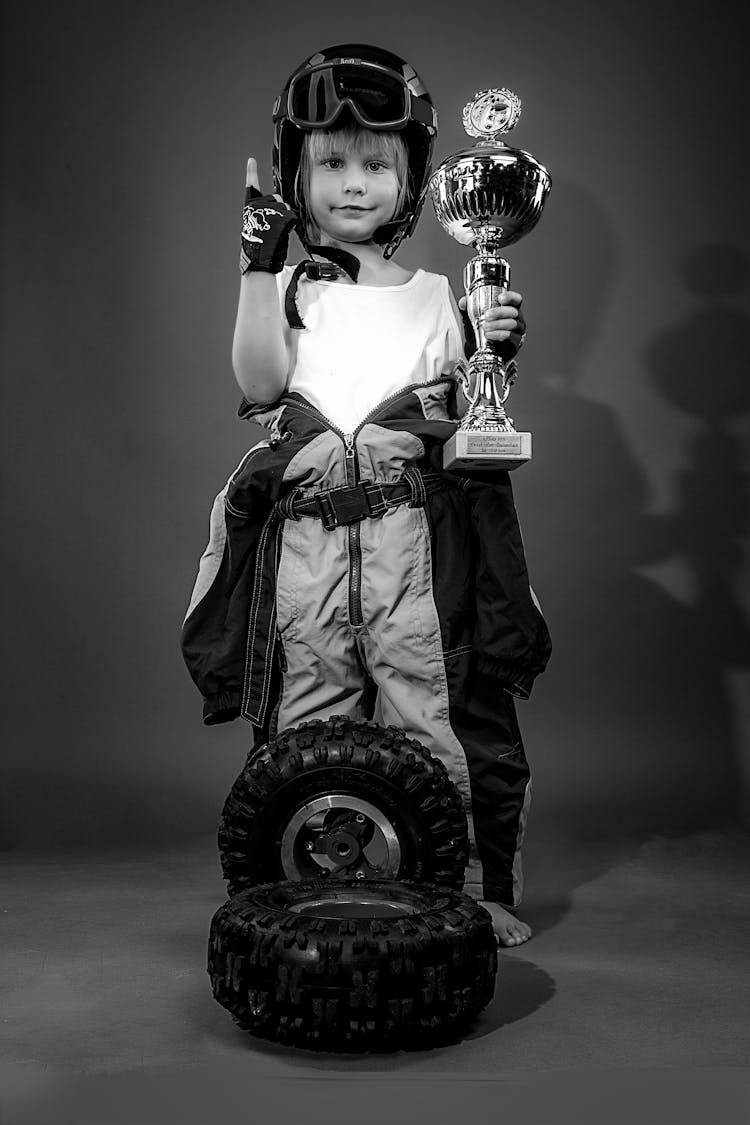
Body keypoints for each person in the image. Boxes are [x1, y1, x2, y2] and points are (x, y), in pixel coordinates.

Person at [181, 44, 551, 946]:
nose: (354, 183)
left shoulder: (439, 291)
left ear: (413, 177)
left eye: (376, 164)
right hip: (307, 548)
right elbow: (262, 385)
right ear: (295, 175)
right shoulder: (292, 288)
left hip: (415, 543)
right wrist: (256, 270)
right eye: (332, 163)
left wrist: (495, 339)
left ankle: (470, 886)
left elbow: (470, 406)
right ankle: (297, 880)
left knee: (437, 706)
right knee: (306, 708)